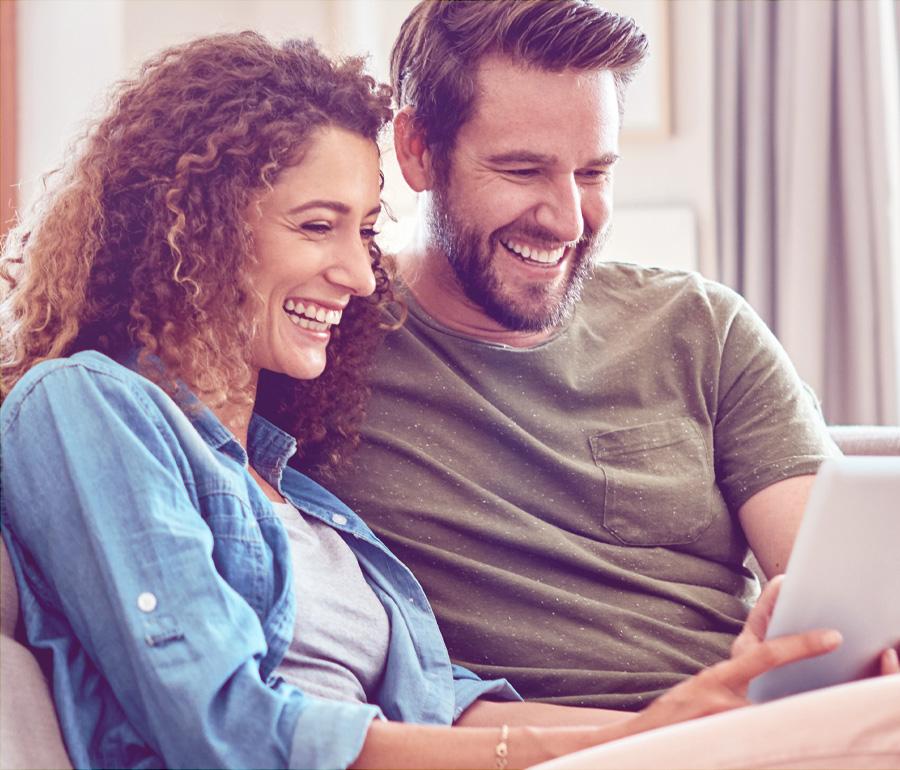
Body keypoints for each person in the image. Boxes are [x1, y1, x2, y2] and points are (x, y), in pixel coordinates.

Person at [1, 29, 853, 770]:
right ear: (193, 221)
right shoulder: (84, 407)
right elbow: (225, 731)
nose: (360, 272)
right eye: (314, 225)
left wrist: (682, 731)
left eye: (366, 229)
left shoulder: (291, 481)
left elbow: (443, 702)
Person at [320, 0, 898, 715]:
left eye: (594, 173)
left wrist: (857, 659)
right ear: (417, 150)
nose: (567, 220)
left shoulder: (702, 328)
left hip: (759, 733)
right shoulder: (321, 343)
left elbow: (840, 602)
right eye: (523, 169)